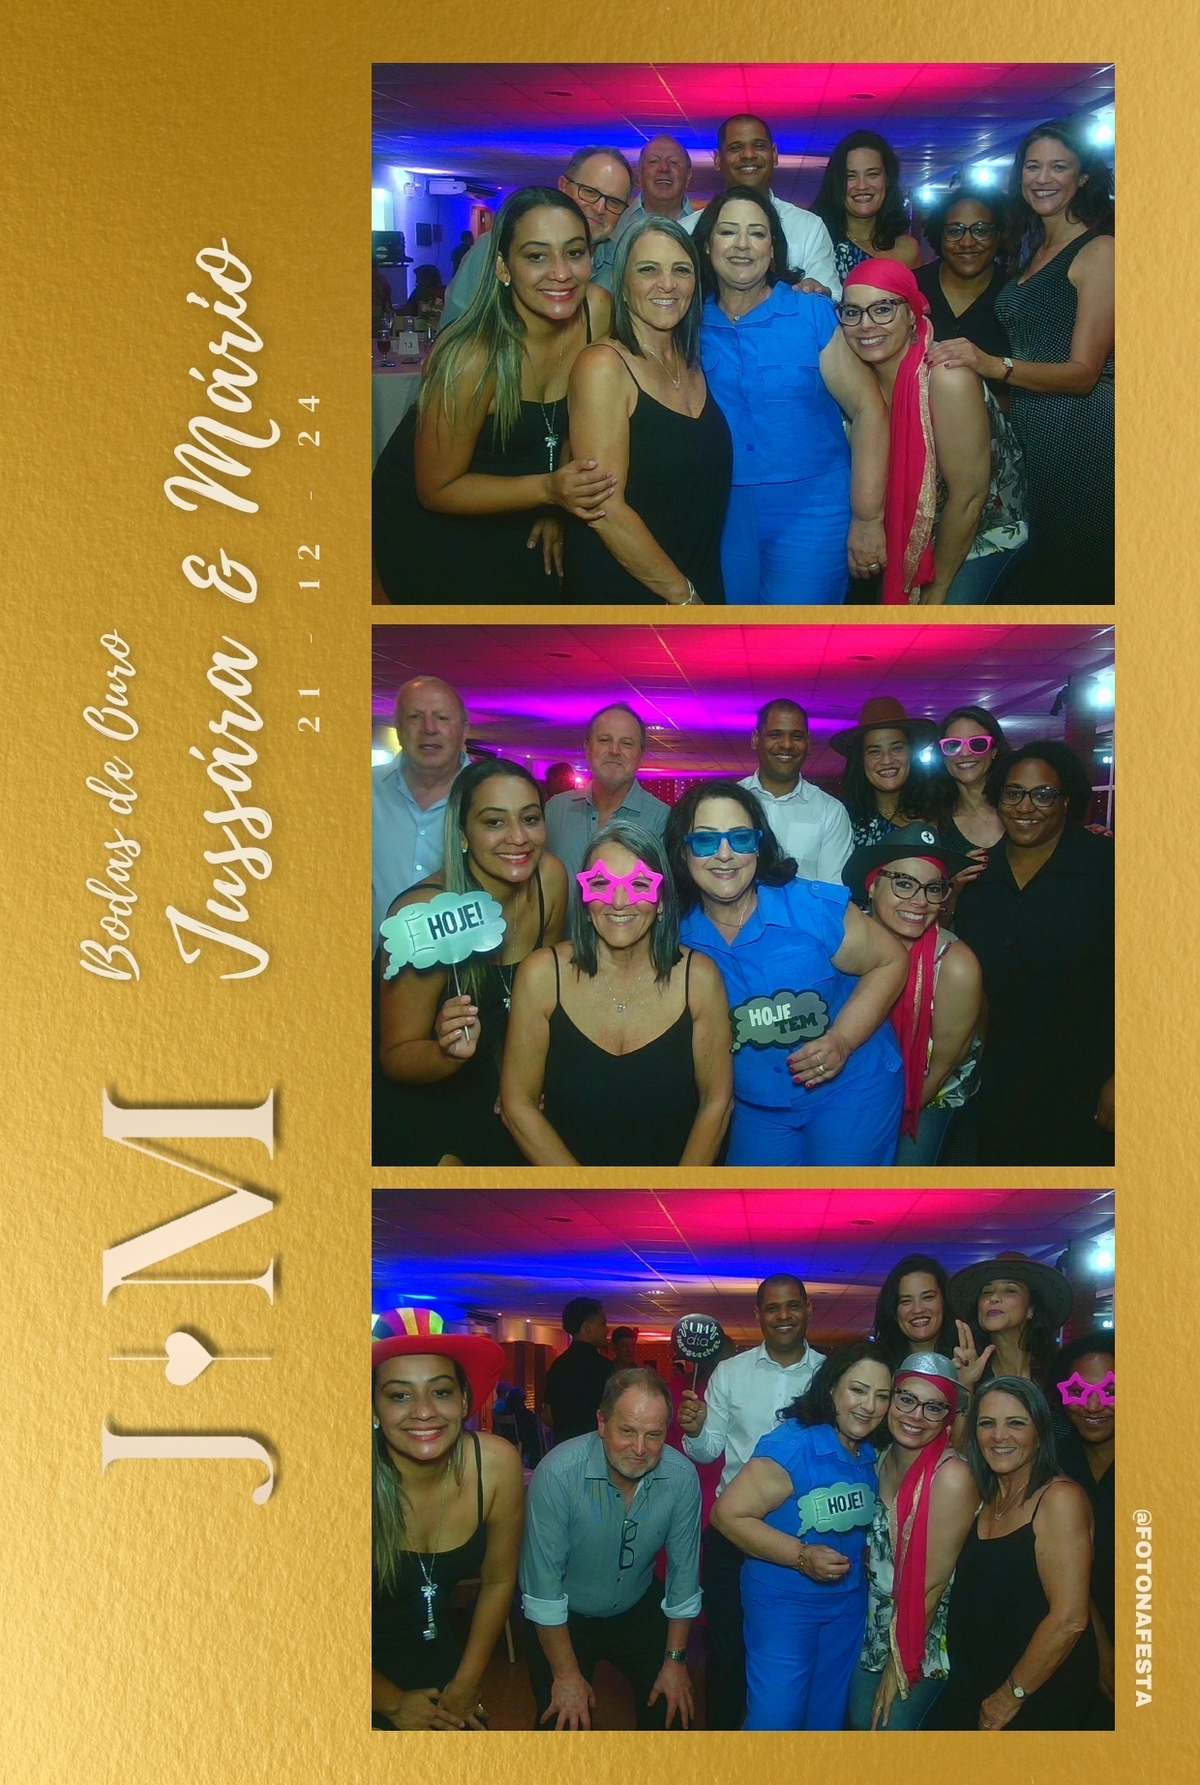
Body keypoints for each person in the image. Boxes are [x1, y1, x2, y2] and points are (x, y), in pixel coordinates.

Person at [372, 186, 615, 605]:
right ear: (504, 267)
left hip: (529, 501)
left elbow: (579, 418)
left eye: (574, 253)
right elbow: (437, 489)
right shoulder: (471, 357)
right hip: (437, 522)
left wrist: (555, 504)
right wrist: (549, 490)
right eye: (536, 256)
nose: (561, 273)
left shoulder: (597, 310)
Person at [667, 780, 906, 1166]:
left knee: (838, 1202)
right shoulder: (675, 935)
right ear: (683, 852)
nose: (725, 855)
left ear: (758, 847)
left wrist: (843, 1040)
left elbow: (890, 961)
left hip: (851, 1089)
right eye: (706, 841)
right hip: (758, 1107)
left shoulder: (811, 908)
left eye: (741, 838)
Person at [930, 120, 1114, 604]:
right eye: (1033, 166)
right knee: (1038, 578)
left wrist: (994, 366)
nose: (1043, 178)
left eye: (1059, 166)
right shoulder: (1035, 251)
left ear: (1084, 176)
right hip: (1034, 435)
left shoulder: (1100, 250)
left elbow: (1084, 374)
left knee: (1074, 579)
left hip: (1082, 436)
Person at [692, 187, 889, 604]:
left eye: (757, 233)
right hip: (719, 513)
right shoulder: (688, 322)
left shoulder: (811, 312)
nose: (743, 244)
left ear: (773, 249)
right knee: (732, 635)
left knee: (796, 637)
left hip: (813, 512)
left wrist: (868, 517)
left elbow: (867, 408)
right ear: (707, 245)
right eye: (728, 231)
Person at [501, 823, 733, 1165]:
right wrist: (584, 1193)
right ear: (584, 898)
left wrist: (676, 1191)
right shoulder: (541, 976)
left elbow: (717, 1102)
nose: (619, 901)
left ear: (661, 900)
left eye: (639, 884)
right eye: (601, 884)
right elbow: (517, 1105)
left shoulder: (699, 979)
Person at [377, 759, 568, 1165]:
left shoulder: (549, 879)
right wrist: (446, 1054)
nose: (518, 837)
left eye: (530, 819)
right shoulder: (422, 914)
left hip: (503, 1087)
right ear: (462, 834)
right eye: (494, 822)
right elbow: (395, 1057)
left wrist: (529, 1079)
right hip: (426, 1103)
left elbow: (543, 1002)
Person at [711, 1342, 893, 1729]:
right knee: (775, 1720)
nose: (869, 1406)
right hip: (784, 1607)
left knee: (825, 1718)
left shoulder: (871, 1452)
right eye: (858, 1390)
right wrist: (801, 1555)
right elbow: (727, 1515)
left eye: (882, 1396)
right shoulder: (793, 1446)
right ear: (832, 1388)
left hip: (847, 1607)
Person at [953, 740, 1114, 1165]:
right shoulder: (977, 876)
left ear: (1066, 801)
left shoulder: (1107, 867)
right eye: (1014, 793)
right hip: (1000, 1082)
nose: (1026, 807)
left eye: (1043, 794)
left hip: (1087, 1078)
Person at [677, 1274, 825, 1730]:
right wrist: (695, 1430)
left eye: (792, 1305)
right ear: (758, 1315)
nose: (784, 1316)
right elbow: (708, 1451)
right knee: (728, 1651)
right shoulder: (729, 1372)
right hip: (733, 1536)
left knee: (790, 1651)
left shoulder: (829, 1376)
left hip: (800, 1534)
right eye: (773, 1308)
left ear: (808, 1310)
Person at [561, 215, 732, 603]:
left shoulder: (690, 361)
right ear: (621, 284)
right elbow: (604, 508)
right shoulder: (603, 366)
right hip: (628, 592)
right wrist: (684, 596)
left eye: (681, 270)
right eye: (648, 269)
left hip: (695, 575)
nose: (667, 284)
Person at [519, 1368, 702, 1730]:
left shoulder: (681, 1477)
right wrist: (566, 1676)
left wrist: (676, 1662)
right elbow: (543, 1590)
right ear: (602, 1423)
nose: (640, 1449)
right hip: (564, 1615)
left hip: (637, 1607)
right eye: (627, 1431)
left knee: (671, 1711)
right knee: (561, 1725)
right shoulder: (557, 1473)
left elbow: (684, 1577)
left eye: (654, 1435)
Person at [839, 259, 1027, 604]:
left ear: (912, 314)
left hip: (980, 536)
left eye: (883, 309)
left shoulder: (947, 378)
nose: (865, 325)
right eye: (852, 312)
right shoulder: (854, 379)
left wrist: (938, 588)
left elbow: (969, 497)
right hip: (899, 534)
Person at [371, 1309, 524, 1730]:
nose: (424, 1412)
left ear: (463, 1401)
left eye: (440, 1391)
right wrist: (393, 1705)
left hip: (443, 1666)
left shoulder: (495, 1464)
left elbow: (498, 1581)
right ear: (374, 1408)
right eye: (399, 1395)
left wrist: (465, 1684)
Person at [922, 1378, 1103, 1729]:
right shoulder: (988, 1496)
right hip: (976, 1683)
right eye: (987, 1423)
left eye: (1016, 1423)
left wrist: (1010, 1696)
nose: (999, 1436)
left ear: (1040, 1432)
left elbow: (1069, 1619)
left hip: (1033, 1694)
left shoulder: (1059, 1499)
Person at [848, 1353, 976, 1730]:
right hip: (872, 1630)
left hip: (922, 1642)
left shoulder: (951, 1476)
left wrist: (898, 1667)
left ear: (948, 1416)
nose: (916, 1416)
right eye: (906, 1399)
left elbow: (932, 1586)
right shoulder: (879, 1458)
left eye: (933, 1407)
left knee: (884, 1732)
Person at [842, 822, 983, 1165]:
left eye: (933, 889)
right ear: (872, 885)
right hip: (856, 1088)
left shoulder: (955, 965)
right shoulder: (842, 941)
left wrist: (891, 1115)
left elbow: (944, 1064)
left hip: (926, 1094)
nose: (920, 902)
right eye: (904, 883)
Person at [442, 147, 635, 327]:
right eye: (589, 192)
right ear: (563, 186)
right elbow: (454, 335)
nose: (600, 208)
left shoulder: (623, 265)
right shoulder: (498, 246)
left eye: (614, 202)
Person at [680, 113, 839, 295]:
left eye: (759, 146)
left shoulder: (808, 227)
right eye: (735, 148)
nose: (748, 155)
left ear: (774, 154)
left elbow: (832, 298)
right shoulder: (687, 230)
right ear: (717, 159)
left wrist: (817, 296)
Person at [372, 676, 470, 943]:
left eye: (442, 718)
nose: (429, 728)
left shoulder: (490, 795)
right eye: (415, 717)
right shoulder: (359, 791)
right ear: (399, 728)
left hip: (464, 964)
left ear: (464, 730)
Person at [1054, 1329, 1115, 1717]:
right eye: (1079, 1391)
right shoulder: (1056, 1461)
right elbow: (1066, 1569)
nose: (1094, 1405)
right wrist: (1102, 1649)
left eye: (1111, 1391)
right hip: (1074, 1644)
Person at [544, 703, 669, 876]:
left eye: (626, 743)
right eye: (604, 740)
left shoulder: (663, 820)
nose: (614, 750)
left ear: (641, 755)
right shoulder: (555, 810)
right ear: (587, 748)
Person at [738, 698, 853, 880]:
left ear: (808, 742)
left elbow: (832, 888)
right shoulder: (731, 801)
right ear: (755, 739)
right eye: (775, 735)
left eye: (797, 736)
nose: (787, 744)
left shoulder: (830, 811)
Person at [947, 1251, 1074, 1401]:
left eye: (1010, 1290)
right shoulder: (966, 1370)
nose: (993, 1298)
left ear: (1031, 1309)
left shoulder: (1061, 1372)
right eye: (987, 1292)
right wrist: (966, 1386)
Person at [916, 183, 1013, 364]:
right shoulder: (912, 288)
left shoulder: (1017, 296)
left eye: (980, 230)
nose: (967, 242)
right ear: (939, 235)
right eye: (954, 231)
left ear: (999, 235)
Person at [811, 130, 921, 287]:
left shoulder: (908, 249)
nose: (862, 186)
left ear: (888, 179)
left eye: (872, 175)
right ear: (836, 183)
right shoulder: (816, 243)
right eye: (850, 176)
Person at [830, 697, 942, 850]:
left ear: (911, 753)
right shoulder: (841, 821)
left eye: (896, 748)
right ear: (861, 760)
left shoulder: (940, 813)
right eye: (875, 752)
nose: (887, 760)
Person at [929, 705, 1010, 888]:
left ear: (994, 751)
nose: (965, 753)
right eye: (953, 745)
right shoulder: (935, 827)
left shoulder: (1022, 811)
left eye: (978, 744)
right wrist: (952, 885)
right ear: (943, 756)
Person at [542, 1298, 615, 1443]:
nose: (607, 1330)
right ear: (587, 1327)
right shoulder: (604, 1367)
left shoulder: (558, 1365)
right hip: (596, 1447)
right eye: (602, 1324)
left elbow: (548, 1417)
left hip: (564, 1448)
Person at [872, 1255, 956, 1369]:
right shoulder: (878, 1366)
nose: (918, 1309)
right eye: (906, 1301)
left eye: (928, 1297)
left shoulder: (971, 1360)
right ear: (893, 1310)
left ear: (945, 1300)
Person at [610, 134, 695, 239]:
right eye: (653, 161)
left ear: (688, 176)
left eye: (673, 162)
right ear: (640, 174)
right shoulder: (614, 225)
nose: (664, 168)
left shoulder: (704, 228)